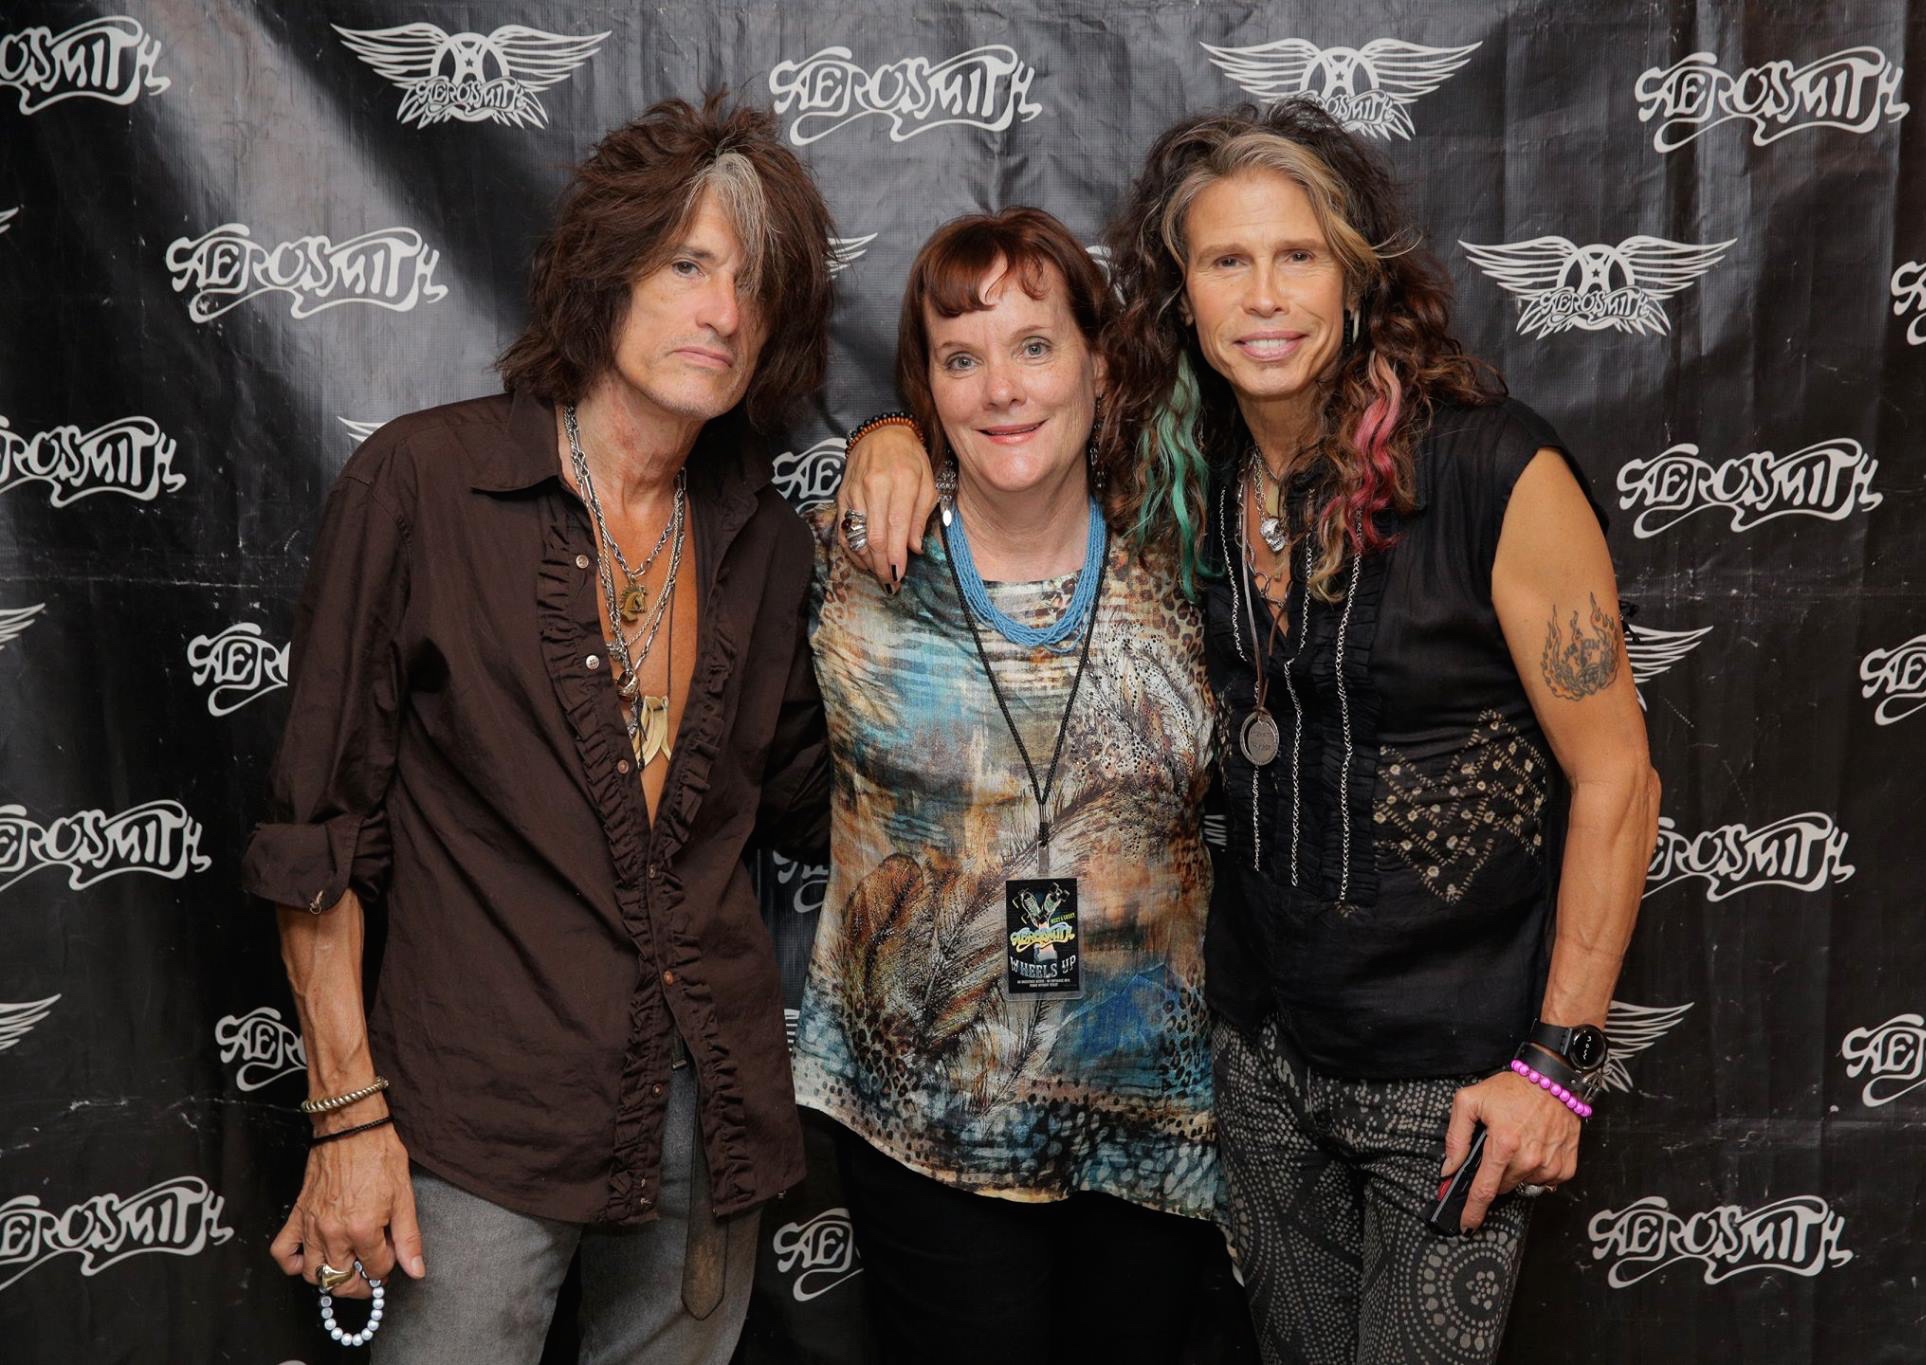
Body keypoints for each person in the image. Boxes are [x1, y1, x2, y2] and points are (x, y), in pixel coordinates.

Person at [836, 99, 1661, 1365]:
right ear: (1182, 296)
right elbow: (1008, 431)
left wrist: (1555, 1064)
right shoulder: (1192, 473)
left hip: (1449, 1080)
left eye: (1296, 256)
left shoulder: (1495, 473)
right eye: (1226, 260)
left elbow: (1616, 776)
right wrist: (886, 432)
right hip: (1257, 1068)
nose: (1263, 296)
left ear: (1355, 277)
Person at [241, 93, 837, 1365]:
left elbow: (822, 803)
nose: (723, 313)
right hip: (479, 1121)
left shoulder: (768, 543)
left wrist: (904, 444)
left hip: (706, 1118)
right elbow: (315, 836)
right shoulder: (425, 485)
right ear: (605, 274)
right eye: (687, 266)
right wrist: (346, 1119)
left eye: (754, 285)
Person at [791, 207, 1227, 1363]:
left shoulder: (1185, 553)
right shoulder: (851, 562)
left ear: (1098, 363)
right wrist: (876, 433)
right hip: (926, 1128)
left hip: (1149, 1120)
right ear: (926, 390)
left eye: (1034, 346)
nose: (1000, 389)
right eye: (959, 359)